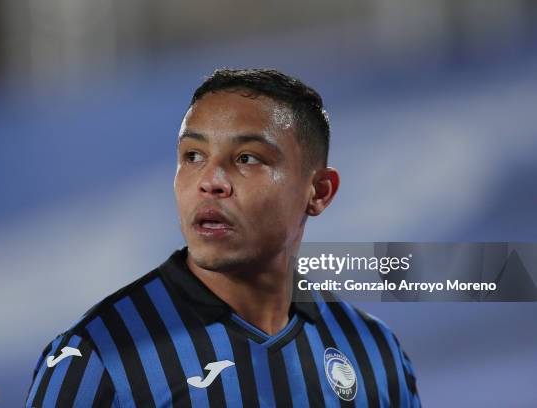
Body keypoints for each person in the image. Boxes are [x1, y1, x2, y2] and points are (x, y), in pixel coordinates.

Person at [25, 68, 421, 407]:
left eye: (247, 158)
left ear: (318, 192)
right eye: (192, 156)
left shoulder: (374, 351)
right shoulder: (97, 354)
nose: (210, 182)